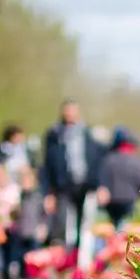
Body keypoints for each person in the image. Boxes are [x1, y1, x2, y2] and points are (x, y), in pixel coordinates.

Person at [42, 100, 105, 248]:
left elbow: (97, 161)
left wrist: (100, 185)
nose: (70, 114)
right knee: (63, 225)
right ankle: (65, 261)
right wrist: (48, 192)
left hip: (86, 184)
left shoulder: (88, 134)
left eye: (73, 111)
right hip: (63, 185)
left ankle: (81, 260)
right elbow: (47, 165)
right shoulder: (54, 135)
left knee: (85, 226)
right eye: (67, 111)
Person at [96, 127, 140, 229]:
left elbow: (102, 180)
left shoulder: (108, 160)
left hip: (112, 200)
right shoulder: (138, 162)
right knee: (127, 228)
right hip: (130, 199)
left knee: (113, 226)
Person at [6, 166, 43, 279]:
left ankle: (31, 276)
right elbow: (14, 215)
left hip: (33, 231)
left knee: (33, 257)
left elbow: (43, 214)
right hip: (21, 231)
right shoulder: (19, 198)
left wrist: (43, 227)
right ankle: (20, 274)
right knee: (20, 256)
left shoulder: (37, 197)